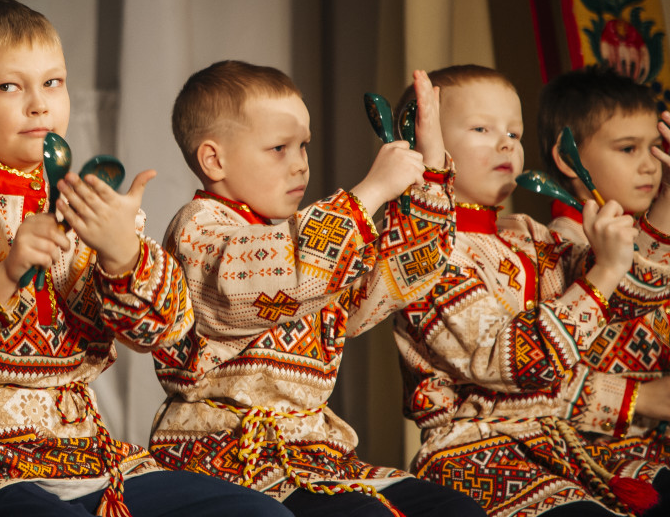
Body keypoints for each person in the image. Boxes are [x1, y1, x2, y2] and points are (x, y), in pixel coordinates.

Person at [0, 0, 287, 517]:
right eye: (10, 86)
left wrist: (123, 256)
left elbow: (163, 336)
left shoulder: (95, 207)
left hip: (86, 457)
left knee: (260, 516)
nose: (39, 104)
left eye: (53, 82)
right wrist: (2, 277)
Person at [148, 60, 482, 517]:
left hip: (313, 452)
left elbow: (394, 277)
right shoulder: (198, 230)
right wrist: (370, 192)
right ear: (214, 160)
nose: (300, 164)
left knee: (452, 511)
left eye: (303, 146)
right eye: (279, 148)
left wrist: (431, 168)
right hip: (225, 453)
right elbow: (276, 278)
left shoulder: (306, 242)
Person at [393, 64, 670, 517]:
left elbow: (625, 304)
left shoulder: (529, 235)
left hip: (556, 444)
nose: (505, 143)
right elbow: (514, 360)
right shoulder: (426, 252)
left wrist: (658, 209)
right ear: (423, 144)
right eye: (482, 129)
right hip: (477, 453)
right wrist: (603, 275)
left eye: (515, 133)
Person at [537, 65, 670, 448]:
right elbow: (537, 375)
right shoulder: (556, 249)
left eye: (654, 148)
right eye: (628, 149)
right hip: (595, 453)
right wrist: (640, 398)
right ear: (567, 158)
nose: (650, 165)